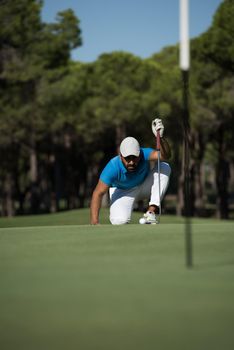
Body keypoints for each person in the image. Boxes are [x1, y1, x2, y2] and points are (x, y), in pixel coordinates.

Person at [90, 118, 171, 225]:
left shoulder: (143, 153)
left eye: (135, 157)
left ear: (139, 154)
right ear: (121, 156)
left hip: (144, 186)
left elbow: (165, 156)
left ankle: (150, 212)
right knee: (119, 221)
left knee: (164, 166)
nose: (131, 162)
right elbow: (98, 193)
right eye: (128, 158)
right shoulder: (112, 167)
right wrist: (94, 222)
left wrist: (160, 138)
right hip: (123, 192)